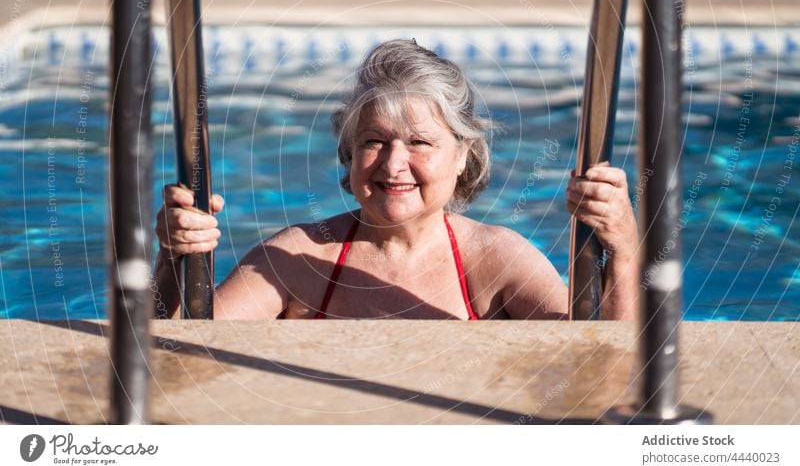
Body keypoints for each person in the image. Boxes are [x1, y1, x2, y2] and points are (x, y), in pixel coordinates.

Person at [154, 39, 639, 320]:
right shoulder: (298, 259)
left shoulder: (496, 260)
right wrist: (173, 259)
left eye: (420, 143)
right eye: (373, 142)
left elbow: (604, 365)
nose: (392, 164)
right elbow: (179, 356)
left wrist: (621, 246)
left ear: (462, 157)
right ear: (349, 154)